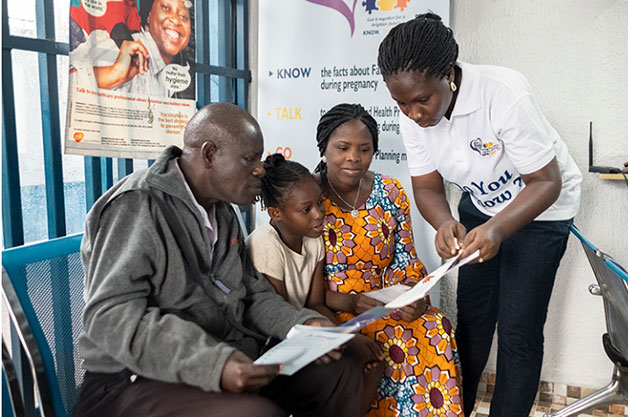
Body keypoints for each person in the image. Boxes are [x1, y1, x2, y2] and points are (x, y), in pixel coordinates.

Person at [73, 103, 366, 417]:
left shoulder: (222, 212)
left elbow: (252, 294)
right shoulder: (137, 204)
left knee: (341, 368)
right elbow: (109, 317)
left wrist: (304, 324)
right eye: (249, 159)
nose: (260, 170)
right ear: (210, 154)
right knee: (252, 414)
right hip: (130, 381)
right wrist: (214, 363)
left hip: (223, 358)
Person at [377, 13, 582, 417]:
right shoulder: (411, 114)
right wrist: (443, 222)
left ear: (448, 76)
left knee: (518, 331)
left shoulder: (502, 93)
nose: (414, 113)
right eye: (401, 103)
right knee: (471, 321)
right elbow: (427, 187)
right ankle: (456, 410)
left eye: (422, 100)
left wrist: (497, 229)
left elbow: (545, 181)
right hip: (481, 207)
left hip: (541, 209)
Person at [314, 103, 464, 417]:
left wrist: (414, 297)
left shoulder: (391, 191)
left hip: (386, 300)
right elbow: (301, 283)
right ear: (323, 148)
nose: (354, 157)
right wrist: (353, 303)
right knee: (390, 338)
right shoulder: (309, 198)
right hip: (333, 308)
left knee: (433, 326)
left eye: (364, 149)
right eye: (342, 148)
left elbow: (406, 258)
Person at [246, 153, 385, 417]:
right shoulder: (266, 245)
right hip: (271, 345)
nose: (319, 215)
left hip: (303, 332)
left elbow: (315, 303)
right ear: (276, 213)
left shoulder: (313, 240)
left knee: (354, 359)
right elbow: (276, 319)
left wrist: (345, 335)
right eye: (306, 209)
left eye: (320, 203)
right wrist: (344, 339)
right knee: (342, 365)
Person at [70, 0, 194, 99]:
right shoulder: (125, 47)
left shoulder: (169, 77)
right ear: (149, 17)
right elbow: (69, 84)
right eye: (166, 8)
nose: (176, 20)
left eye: (184, 16)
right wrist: (116, 73)